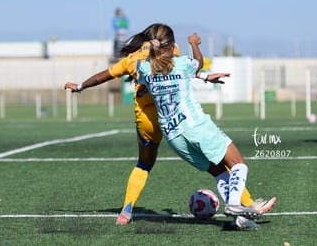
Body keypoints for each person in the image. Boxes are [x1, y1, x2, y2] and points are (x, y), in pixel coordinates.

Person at [64, 23, 277, 226]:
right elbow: (190, 67)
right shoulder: (177, 57)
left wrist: (80, 86)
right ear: (170, 44)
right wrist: (197, 54)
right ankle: (240, 204)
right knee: (236, 163)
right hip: (191, 123)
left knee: (149, 165)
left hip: (163, 129)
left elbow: (106, 75)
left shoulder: (140, 66)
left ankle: (126, 210)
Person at [137, 26, 275, 230]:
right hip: (196, 126)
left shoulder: (144, 69)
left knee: (219, 171)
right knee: (238, 164)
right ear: (172, 44)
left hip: (173, 136)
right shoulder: (182, 63)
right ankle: (235, 204)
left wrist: (204, 76)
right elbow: (198, 63)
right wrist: (193, 43)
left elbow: (165, 71)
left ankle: (241, 219)